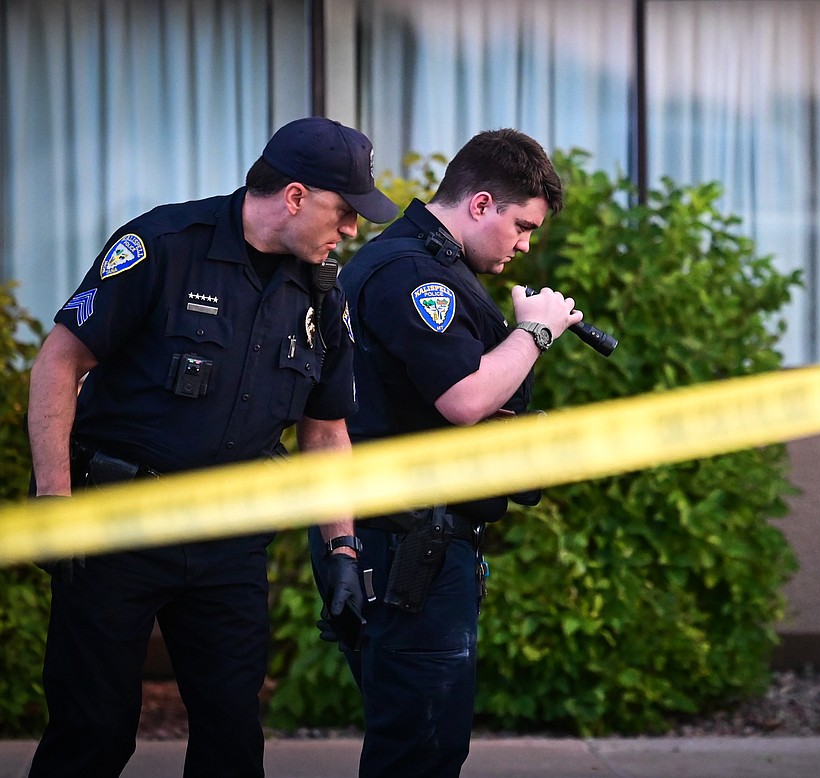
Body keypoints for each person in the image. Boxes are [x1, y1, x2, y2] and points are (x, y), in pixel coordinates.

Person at [25, 116, 397, 778]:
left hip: (228, 539)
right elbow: (60, 361)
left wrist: (343, 547)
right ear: (295, 196)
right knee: (93, 732)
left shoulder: (320, 293)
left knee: (231, 737)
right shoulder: (164, 245)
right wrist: (54, 500)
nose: (349, 231)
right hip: (118, 525)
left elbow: (326, 429)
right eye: (343, 213)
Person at [312, 128, 580, 777]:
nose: (524, 244)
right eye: (522, 226)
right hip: (407, 551)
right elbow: (464, 398)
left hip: (412, 546)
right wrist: (536, 332)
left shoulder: (430, 265)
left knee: (423, 746)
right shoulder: (412, 273)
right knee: (420, 754)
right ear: (481, 204)